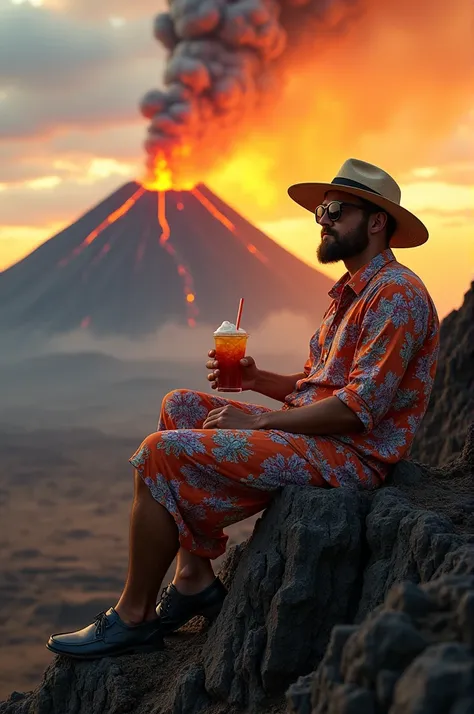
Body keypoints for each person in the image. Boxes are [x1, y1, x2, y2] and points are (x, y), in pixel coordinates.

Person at [46, 158, 439, 659]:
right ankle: (192, 577)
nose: (322, 222)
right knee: (180, 406)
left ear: (377, 221)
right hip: (317, 437)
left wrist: (257, 419)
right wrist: (258, 382)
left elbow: (357, 408)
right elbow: (320, 385)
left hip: (348, 455)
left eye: (335, 211)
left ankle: (134, 617)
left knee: (159, 452)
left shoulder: (397, 295)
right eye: (320, 211)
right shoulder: (351, 294)